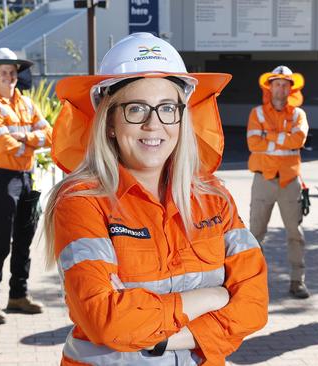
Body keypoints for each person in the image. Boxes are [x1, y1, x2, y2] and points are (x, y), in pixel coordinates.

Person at [44, 33, 268, 365]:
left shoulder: (214, 197)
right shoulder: (82, 201)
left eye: (167, 108)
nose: (154, 124)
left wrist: (165, 337)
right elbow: (107, 321)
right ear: (109, 122)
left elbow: (253, 305)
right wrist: (214, 295)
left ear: (182, 117)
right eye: (136, 109)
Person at [0, 48, 52, 324]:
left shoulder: (28, 104)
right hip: (3, 179)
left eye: (13, 71)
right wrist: (30, 143)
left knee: (24, 239)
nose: (10, 76)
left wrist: (22, 138)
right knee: (0, 241)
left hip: (27, 179)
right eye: (4, 71)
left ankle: (18, 295)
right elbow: (2, 144)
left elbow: (50, 135)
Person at [246, 65, 310, 299]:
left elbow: (298, 139)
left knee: (295, 233)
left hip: (289, 181)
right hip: (263, 179)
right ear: (269, 87)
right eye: (277, 84)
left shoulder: (298, 114)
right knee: (255, 234)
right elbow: (253, 144)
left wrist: (268, 137)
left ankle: (297, 281)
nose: (281, 88)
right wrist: (283, 139)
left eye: (285, 84)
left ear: (290, 88)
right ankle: (252, 284)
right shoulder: (257, 113)